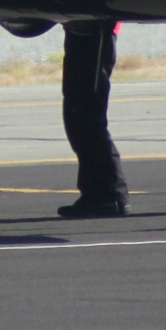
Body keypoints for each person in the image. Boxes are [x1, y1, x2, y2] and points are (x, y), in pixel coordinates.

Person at [57, 19, 129, 218]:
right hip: (83, 32)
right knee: (80, 115)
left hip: (94, 32)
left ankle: (105, 195)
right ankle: (105, 194)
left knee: (86, 115)